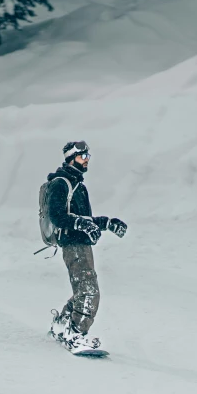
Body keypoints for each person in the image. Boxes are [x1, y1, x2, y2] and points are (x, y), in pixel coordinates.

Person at [46, 141, 127, 353]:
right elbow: (57, 216)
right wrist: (81, 224)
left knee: (83, 289)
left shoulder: (78, 185)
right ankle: (76, 334)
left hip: (81, 244)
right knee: (89, 291)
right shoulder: (61, 183)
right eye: (83, 157)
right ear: (71, 158)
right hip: (72, 245)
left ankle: (62, 324)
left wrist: (107, 223)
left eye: (88, 157)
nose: (86, 161)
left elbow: (85, 218)